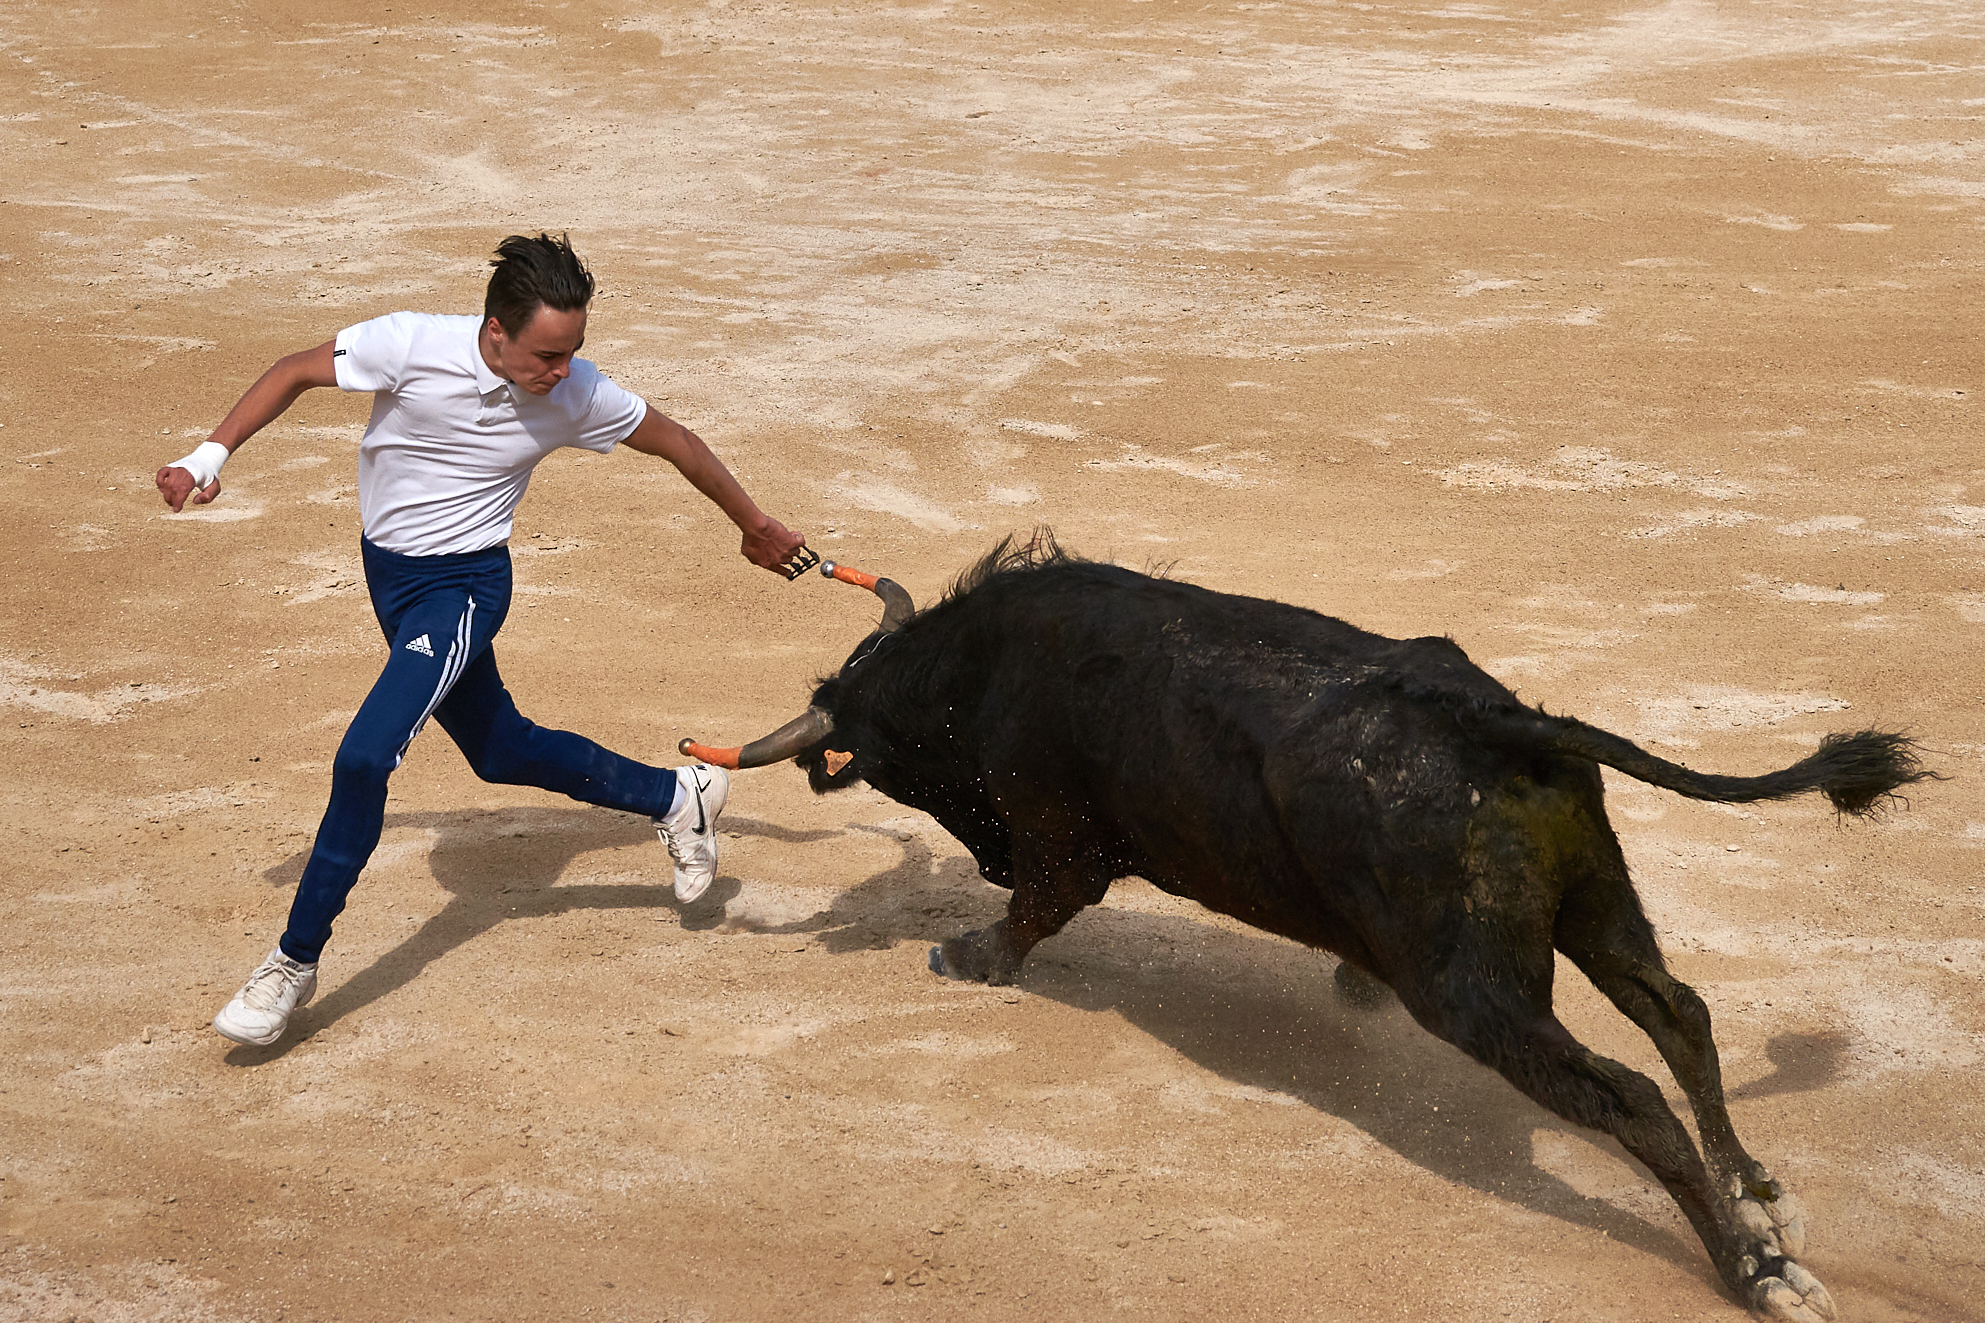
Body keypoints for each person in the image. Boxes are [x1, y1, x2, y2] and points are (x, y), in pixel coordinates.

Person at [157, 233, 809, 1048]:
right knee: (498, 748)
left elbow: (674, 439)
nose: (561, 370)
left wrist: (753, 526)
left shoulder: (575, 395)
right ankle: (680, 797)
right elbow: (294, 368)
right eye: (546, 353)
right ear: (494, 329)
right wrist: (209, 454)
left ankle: (292, 961)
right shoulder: (411, 343)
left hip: (460, 590)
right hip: (390, 578)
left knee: (364, 757)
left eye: (573, 352)